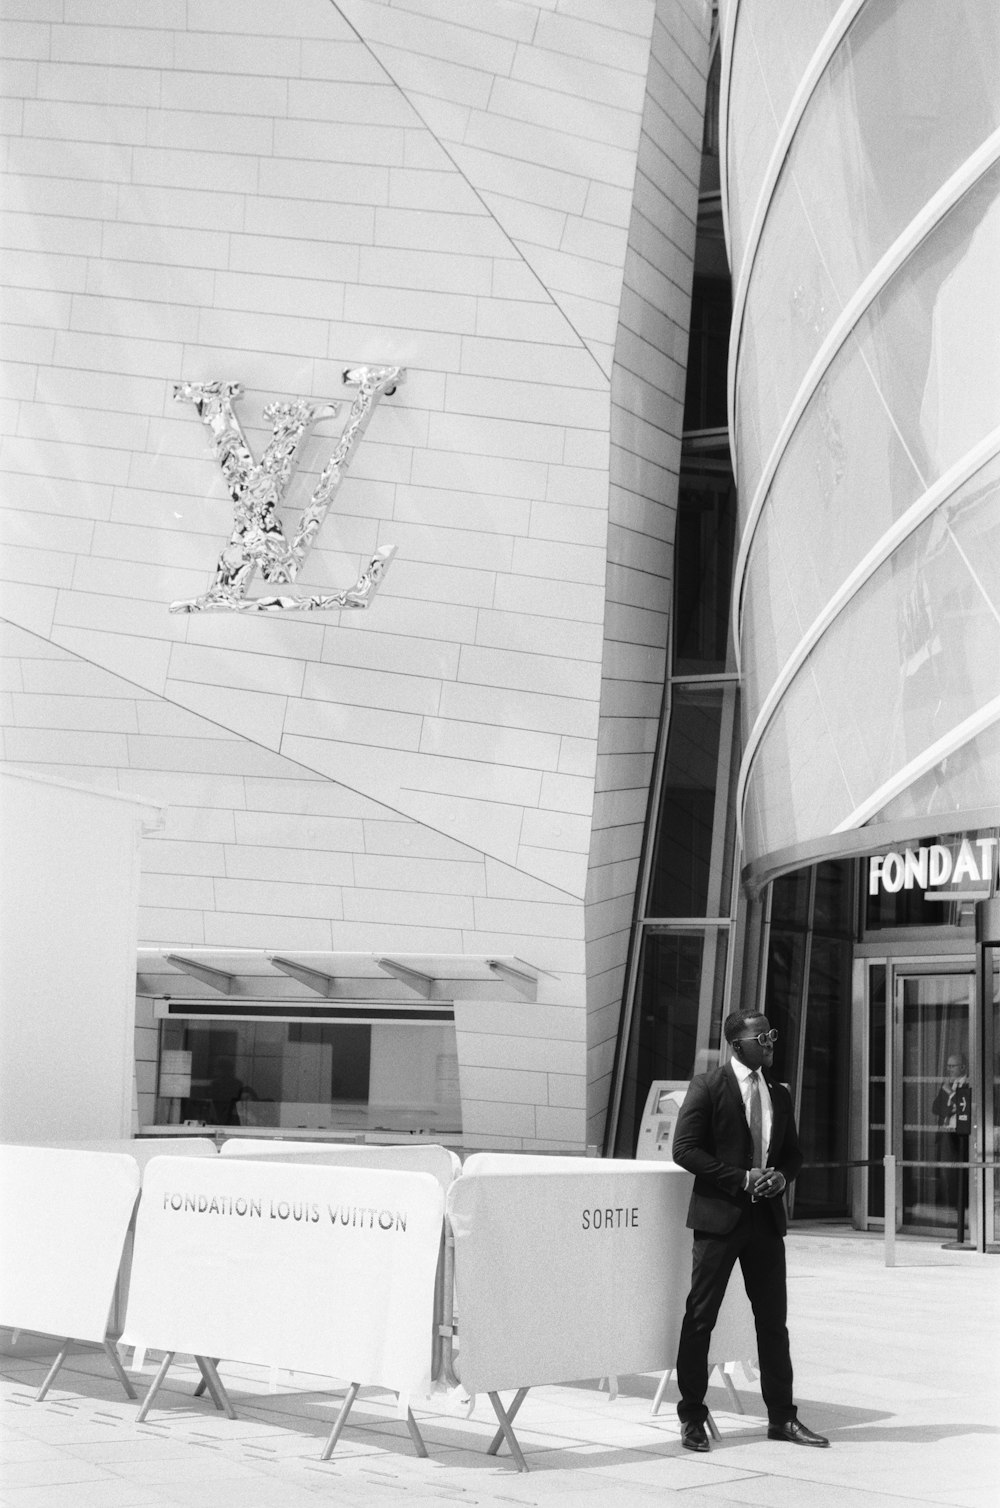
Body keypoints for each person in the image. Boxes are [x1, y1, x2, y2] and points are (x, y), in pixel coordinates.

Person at [671, 1009, 829, 1452]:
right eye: (763, 1036)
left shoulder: (778, 1091)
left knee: (773, 1324)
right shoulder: (707, 1086)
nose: (771, 1042)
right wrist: (741, 1178)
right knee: (700, 1319)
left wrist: (781, 1177)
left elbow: (793, 1154)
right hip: (719, 1221)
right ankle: (692, 1419)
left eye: (773, 1034)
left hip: (765, 1223)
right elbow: (684, 1150)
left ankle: (782, 1418)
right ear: (737, 1045)